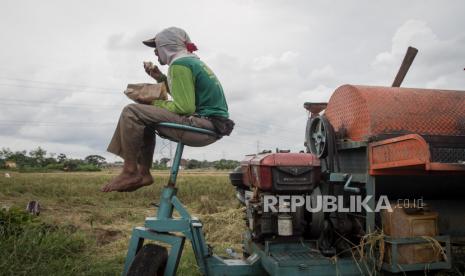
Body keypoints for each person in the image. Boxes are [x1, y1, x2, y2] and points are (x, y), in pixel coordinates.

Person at [101, 27, 232, 192]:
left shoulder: (179, 65)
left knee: (132, 111)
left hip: (201, 126)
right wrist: (160, 78)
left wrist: (152, 103)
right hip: (211, 126)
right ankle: (143, 173)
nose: (155, 52)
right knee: (144, 119)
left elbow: (184, 107)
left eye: (157, 46)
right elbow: (185, 96)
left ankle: (130, 171)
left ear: (167, 45)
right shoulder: (191, 62)